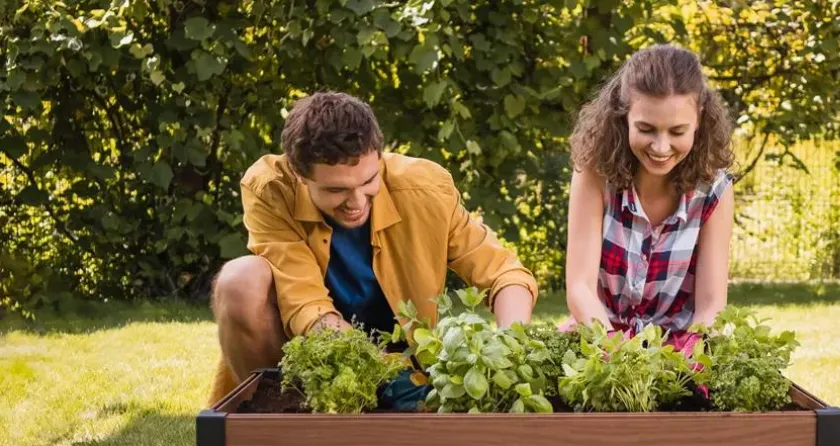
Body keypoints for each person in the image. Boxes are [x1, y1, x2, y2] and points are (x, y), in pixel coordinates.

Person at [206, 91, 538, 406]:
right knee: (240, 279)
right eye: (336, 190)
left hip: (411, 358)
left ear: (379, 156)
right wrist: (388, 371)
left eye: (368, 182)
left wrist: (507, 350)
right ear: (299, 174)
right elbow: (308, 310)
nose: (356, 202)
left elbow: (504, 274)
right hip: (314, 356)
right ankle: (282, 413)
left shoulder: (425, 188)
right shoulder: (271, 189)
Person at [563, 44, 735, 351]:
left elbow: (711, 307)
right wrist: (619, 354)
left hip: (679, 350)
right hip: (598, 340)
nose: (660, 146)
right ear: (623, 116)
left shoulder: (714, 190)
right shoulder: (594, 175)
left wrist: (683, 363)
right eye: (646, 128)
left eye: (677, 131)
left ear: (699, 120)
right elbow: (580, 288)